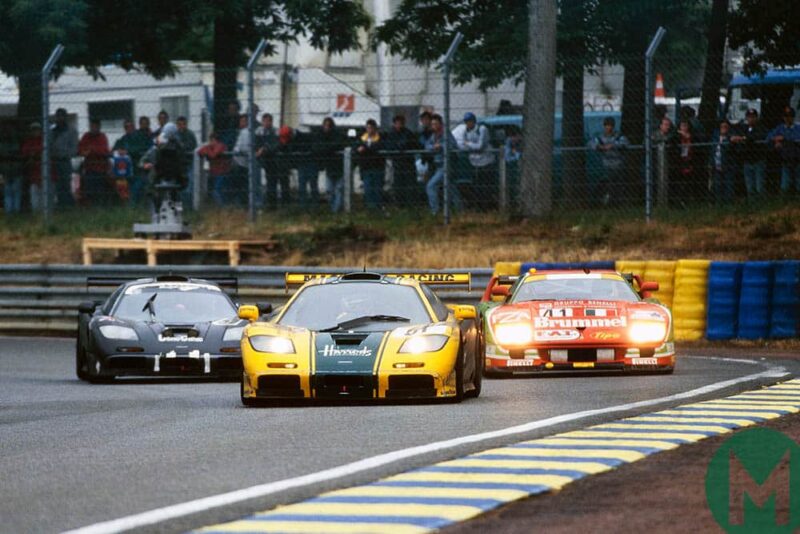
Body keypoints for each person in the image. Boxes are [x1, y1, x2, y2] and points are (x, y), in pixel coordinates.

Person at [425, 113, 462, 215]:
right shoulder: (434, 136)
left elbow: (453, 146)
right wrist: (433, 147)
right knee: (450, 187)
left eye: (436, 124)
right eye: (432, 124)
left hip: (447, 164)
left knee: (431, 186)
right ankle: (459, 209)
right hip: (439, 165)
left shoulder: (446, 134)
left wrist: (440, 146)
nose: (434, 126)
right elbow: (427, 146)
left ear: (441, 124)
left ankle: (435, 211)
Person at [588, 116, 629, 204]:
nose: (608, 127)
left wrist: (612, 145)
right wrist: (599, 147)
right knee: (608, 183)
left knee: (618, 184)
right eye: (607, 125)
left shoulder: (618, 136)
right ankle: (609, 201)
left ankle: (618, 201)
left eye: (610, 125)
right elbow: (591, 143)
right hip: (606, 165)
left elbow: (625, 143)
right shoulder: (600, 137)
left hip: (618, 165)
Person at [461, 112, 496, 210]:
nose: (468, 123)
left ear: (474, 121)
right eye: (466, 121)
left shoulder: (482, 129)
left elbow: (480, 146)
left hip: (486, 161)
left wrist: (469, 144)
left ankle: (488, 207)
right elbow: (464, 146)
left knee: (487, 186)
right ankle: (480, 207)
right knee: (477, 186)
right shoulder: (466, 131)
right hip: (475, 163)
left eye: (470, 121)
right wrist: (471, 145)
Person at [113, 119, 152, 205]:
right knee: (129, 188)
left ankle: (134, 206)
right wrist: (118, 150)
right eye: (126, 127)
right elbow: (115, 149)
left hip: (139, 167)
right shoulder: (123, 139)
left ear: (134, 127)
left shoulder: (141, 137)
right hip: (127, 170)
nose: (129, 128)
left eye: (131, 126)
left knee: (137, 188)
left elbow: (143, 149)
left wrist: (128, 151)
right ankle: (133, 206)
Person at [384, 115, 420, 207]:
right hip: (398, 163)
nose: (399, 125)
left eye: (401, 123)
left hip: (408, 163)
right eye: (397, 123)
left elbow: (413, 144)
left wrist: (402, 146)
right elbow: (389, 146)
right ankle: (400, 205)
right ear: (394, 124)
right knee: (398, 184)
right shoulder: (391, 134)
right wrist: (398, 147)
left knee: (410, 184)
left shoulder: (408, 133)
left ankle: (411, 204)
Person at [731, 108, 767, 198]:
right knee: (750, 187)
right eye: (749, 117)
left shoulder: (761, 128)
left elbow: (758, 136)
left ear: (756, 118)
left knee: (759, 187)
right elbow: (735, 135)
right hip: (747, 161)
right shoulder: (744, 128)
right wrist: (734, 138)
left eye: (753, 117)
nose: (751, 119)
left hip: (758, 160)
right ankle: (752, 206)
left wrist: (744, 138)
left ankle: (762, 205)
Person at [78, 118, 114, 206]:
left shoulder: (102, 137)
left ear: (99, 127)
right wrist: (91, 151)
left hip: (101, 169)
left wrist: (92, 150)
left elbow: (104, 151)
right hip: (89, 168)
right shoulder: (86, 136)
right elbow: (81, 151)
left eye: (95, 126)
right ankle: (90, 208)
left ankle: (100, 207)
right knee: (89, 191)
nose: (93, 128)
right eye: (91, 126)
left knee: (100, 191)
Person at [767, 106, 800, 194]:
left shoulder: (798, 128)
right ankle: (784, 203)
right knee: (785, 185)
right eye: (785, 116)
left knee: (798, 184)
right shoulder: (780, 128)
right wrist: (775, 139)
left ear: (793, 117)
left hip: (798, 159)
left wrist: (784, 138)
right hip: (785, 160)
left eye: (789, 116)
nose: (787, 118)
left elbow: (796, 138)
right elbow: (768, 137)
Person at [315, 117, 345, 213]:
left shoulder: (337, 135)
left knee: (338, 189)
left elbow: (335, 145)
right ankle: (333, 208)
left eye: (328, 126)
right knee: (329, 190)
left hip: (339, 166)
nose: (326, 128)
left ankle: (336, 210)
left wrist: (326, 149)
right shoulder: (321, 136)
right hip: (329, 167)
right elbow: (319, 147)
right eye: (325, 125)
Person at [50, 108, 78, 208]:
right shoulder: (52, 132)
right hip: (54, 162)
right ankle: (60, 205)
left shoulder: (71, 131)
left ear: (65, 117)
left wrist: (63, 154)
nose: (60, 118)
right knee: (57, 185)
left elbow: (74, 148)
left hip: (65, 161)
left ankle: (68, 206)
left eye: (62, 116)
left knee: (66, 184)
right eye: (58, 116)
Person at [354, 119, 384, 210]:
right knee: (368, 188)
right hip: (365, 167)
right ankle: (370, 207)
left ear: (375, 128)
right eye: (368, 127)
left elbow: (377, 149)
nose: (369, 129)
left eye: (371, 127)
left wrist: (365, 149)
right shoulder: (362, 138)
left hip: (377, 167)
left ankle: (378, 207)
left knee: (377, 189)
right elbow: (357, 148)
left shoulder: (380, 138)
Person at [198, 132, 231, 206]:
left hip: (222, 173)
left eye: (212, 141)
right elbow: (199, 151)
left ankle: (223, 208)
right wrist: (207, 149)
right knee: (212, 191)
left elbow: (213, 155)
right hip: (214, 173)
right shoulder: (210, 147)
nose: (210, 143)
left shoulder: (221, 146)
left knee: (217, 191)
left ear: (215, 140)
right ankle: (217, 207)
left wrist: (207, 149)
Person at [709, 119, 736, 205]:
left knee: (728, 186)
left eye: (725, 127)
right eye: (722, 127)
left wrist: (726, 140)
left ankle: (728, 204)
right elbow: (711, 150)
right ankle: (718, 204)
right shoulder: (715, 137)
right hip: (716, 165)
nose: (723, 129)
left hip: (728, 166)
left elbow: (730, 150)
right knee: (717, 186)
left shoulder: (731, 137)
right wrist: (710, 162)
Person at [254, 113, 278, 207]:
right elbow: (255, 144)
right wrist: (259, 150)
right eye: (265, 121)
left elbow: (275, 145)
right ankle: (258, 202)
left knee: (271, 182)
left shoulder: (275, 131)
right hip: (260, 159)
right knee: (257, 180)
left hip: (272, 160)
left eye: (268, 121)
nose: (266, 123)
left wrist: (264, 149)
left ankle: (272, 204)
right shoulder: (258, 131)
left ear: (271, 122)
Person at [267, 125, 294, 208]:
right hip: (273, 167)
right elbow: (271, 149)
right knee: (272, 186)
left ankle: (285, 206)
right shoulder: (275, 140)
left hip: (283, 168)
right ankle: (272, 206)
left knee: (285, 187)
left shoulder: (291, 142)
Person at [20, 122, 44, 211]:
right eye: (33, 130)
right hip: (32, 172)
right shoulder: (28, 142)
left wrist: (35, 154)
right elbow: (25, 153)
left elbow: (43, 152)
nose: (35, 131)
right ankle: (35, 212)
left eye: (37, 129)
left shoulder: (44, 141)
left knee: (44, 194)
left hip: (43, 171)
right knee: (34, 194)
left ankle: (44, 213)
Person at [175, 116, 198, 208]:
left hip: (189, 163)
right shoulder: (175, 135)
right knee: (178, 186)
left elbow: (191, 146)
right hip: (178, 165)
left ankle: (189, 207)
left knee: (190, 186)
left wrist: (181, 147)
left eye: (183, 124)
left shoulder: (190, 134)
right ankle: (179, 207)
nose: (181, 126)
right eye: (179, 124)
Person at [294, 127, 319, 208]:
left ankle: (313, 205)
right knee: (303, 185)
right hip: (303, 163)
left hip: (310, 162)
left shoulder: (309, 138)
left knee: (312, 184)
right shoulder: (297, 138)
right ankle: (304, 205)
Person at [0, 121, 22, 214]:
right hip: (7, 170)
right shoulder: (3, 145)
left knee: (14, 192)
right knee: (8, 192)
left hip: (15, 170)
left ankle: (14, 211)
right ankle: (10, 211)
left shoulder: (17, 143)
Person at [231, 114, 251, 207]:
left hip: (242, 163)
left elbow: (241, 148)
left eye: (243, 121)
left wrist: (236, 151)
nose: (241, 123)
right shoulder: (241, 132)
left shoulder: (245, 132)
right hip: (241, 162)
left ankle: (244, 205)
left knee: (242, 186)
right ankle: (243, 205)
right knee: (242, 186)